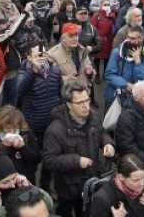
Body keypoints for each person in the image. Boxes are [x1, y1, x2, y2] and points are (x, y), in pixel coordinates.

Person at [42, 79, 115, 217]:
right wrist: (76, 161)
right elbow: (49, 160)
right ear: (69, 104)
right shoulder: (55, 130)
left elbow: (102, 133)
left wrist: (108, 143)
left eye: (87, 100)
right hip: (68, 188)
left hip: (91, 179)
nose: (86, 106)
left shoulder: (94, 117)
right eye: (80, 103)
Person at [0, 141, 54, 217]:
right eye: (5, 182)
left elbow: (49, 204)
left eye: (13, 178)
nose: (12, 184)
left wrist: (30, 187)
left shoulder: (19, 182)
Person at [0, 105, 42, 184]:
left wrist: (23, 148)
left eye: (15, 128)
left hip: (26, 180)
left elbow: (37, 158)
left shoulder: (26, 135)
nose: (12, 131)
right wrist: (4, 147)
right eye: (8, 128)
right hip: (4, 182)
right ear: (1, 125)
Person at [88, 153, 144, 217]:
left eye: (143, 178)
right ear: (121, 177)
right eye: (136, 180)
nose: (142, 184)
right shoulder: (103, 199)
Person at [104, 26, 144, 106]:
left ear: (140, 39)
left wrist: (138, 63)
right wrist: (126, 85)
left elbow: (142, 80)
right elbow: (109, 75)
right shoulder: (117, 52)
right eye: (128, 37)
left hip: (132, 101)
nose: (128, 40)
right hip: (114, 97)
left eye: (132, 38)